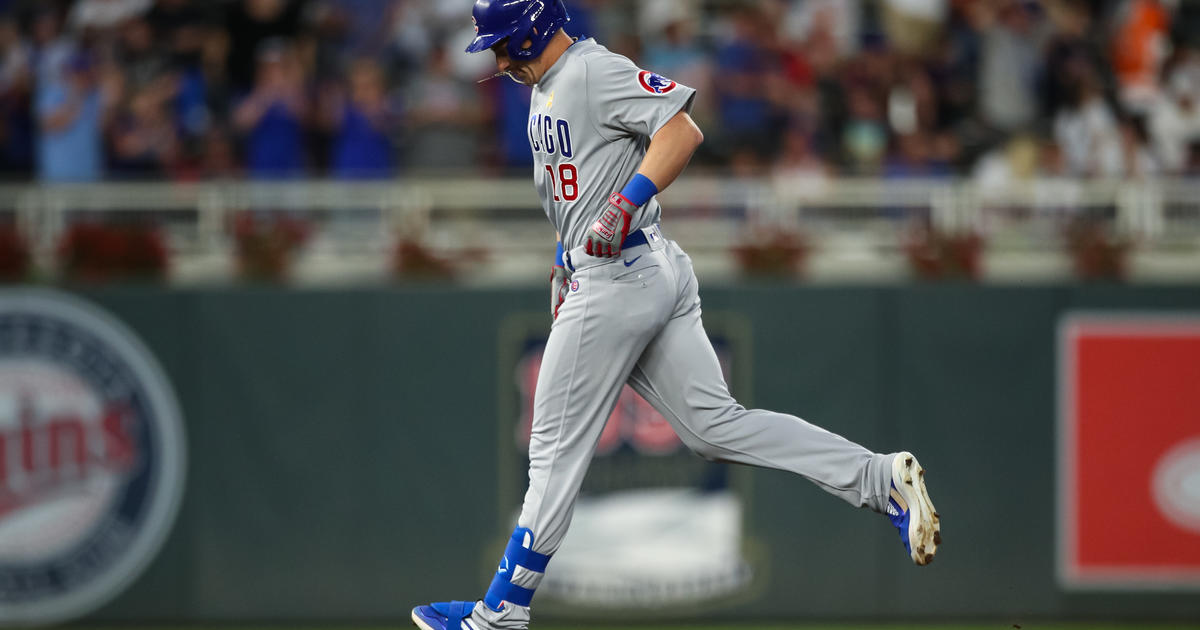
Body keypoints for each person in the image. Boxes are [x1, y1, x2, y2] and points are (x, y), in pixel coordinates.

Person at [411, 2, 941, 629]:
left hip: (618, 278)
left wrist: (626, 204)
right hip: (634, 269)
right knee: (715, 428)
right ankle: (879, 479)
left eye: (503, 46)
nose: (498, 61)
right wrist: (564, 256)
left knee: (552, 452)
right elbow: (577, 187)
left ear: (531, 30)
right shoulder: (548, 87)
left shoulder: (587, 70)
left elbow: (681, 130)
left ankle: (501, 613)